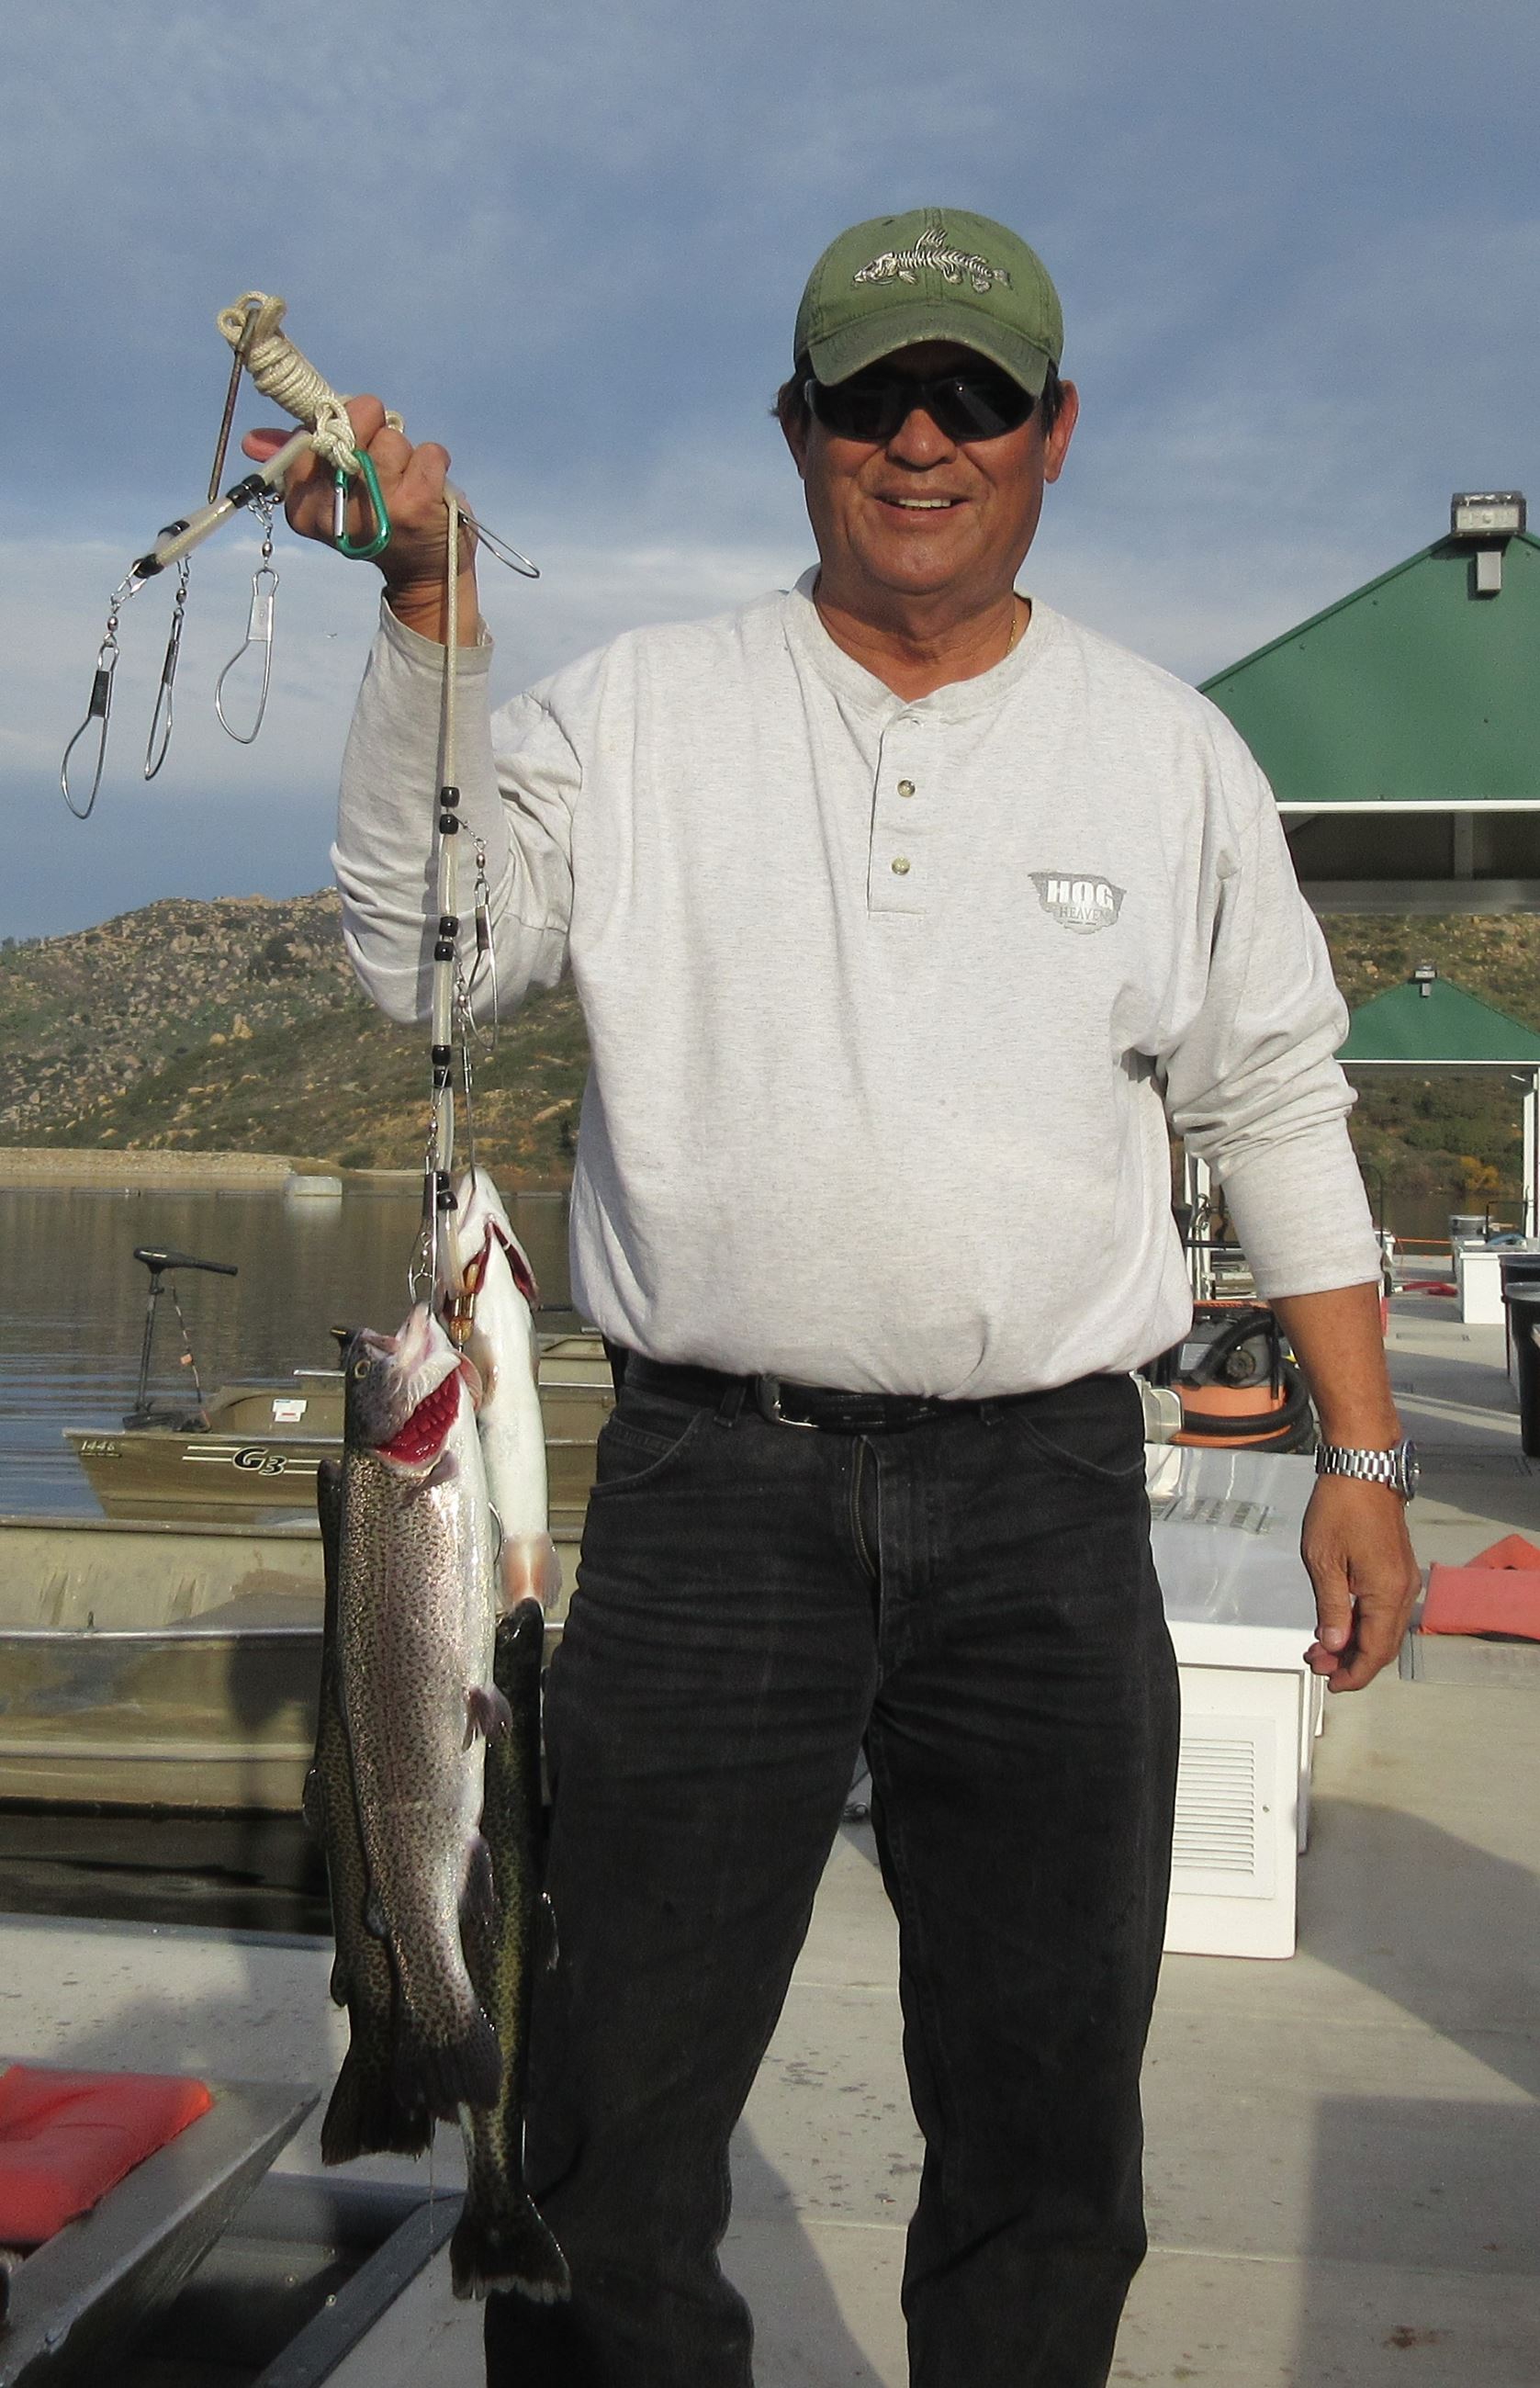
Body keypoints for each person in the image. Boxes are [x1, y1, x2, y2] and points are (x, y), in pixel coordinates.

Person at [249, 207, 1421, 2388]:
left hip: (1054, 1515)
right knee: (598, 2135)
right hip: (707, 1502)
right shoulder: (640, 713)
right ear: (791, 428)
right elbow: (418, 950)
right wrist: (428, 607)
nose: (917, 436)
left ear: (1050, 434)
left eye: (969, 397)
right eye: (867, 395)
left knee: (1047, 2133)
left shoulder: (1164, 755)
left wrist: (1360, 1457)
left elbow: (1275, 1101)